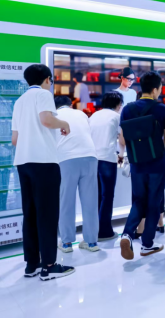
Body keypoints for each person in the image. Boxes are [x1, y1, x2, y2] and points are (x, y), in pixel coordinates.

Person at [12, 64, 74, 280]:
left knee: (30, 213)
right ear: (47, 79)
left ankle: (32, 264)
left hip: (23, 162)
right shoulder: (43, 94)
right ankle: (49, 265)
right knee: (47, 213)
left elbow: (15, 139)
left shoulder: (19, 101)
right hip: (44, 162)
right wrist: (64, 123)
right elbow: (46, 120)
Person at [119, 71, 165, 260]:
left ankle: (127, 234)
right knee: (153, 202)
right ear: (156, 89)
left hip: (137, 163)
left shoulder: (127, 109)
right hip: (157, 162)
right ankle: (147, 244)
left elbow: (123, 139)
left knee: (138, 200)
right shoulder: (162, 109)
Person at [54, 96, 99, 253]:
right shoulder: (81, 114)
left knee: (66, 201)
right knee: (90, 202)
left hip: (66, 159)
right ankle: (92, 242)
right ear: (71, 105)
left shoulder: (53, 116)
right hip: (90, 157)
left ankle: (66, 243)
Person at [89, 91, 125, 241]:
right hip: (108, 159)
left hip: (91, 158)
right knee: (107, 195)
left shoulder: (93, 116)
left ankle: (94, 230)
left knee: (96, 196)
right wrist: (121, 154)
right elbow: (122, 139)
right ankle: (105, 231)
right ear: (118, 104)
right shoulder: (117, 117)